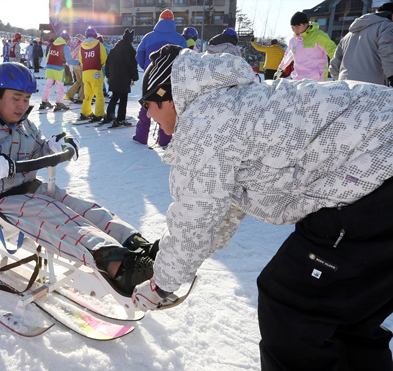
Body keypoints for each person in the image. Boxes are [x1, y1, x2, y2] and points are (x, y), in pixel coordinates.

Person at [132, 44, 393, 370]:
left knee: (292, 306)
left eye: (146, 104)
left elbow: (196, 214)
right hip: (377, 166)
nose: (146, 114)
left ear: (166, 97)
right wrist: (170, 260)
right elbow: (222, 208)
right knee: (347, 317)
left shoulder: (204, 121)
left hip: (379, 169)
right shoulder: (228, 103)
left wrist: (161, 286)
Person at [0, 62, 156, 296]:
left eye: (27, 99)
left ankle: (135, 243)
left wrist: (52, 146)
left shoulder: (23, 124)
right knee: (54, 214)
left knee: (82, 207)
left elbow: (36, 149)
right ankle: (120, 265)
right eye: (16, 98)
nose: (22, 106)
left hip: (29, 189)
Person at [134, 9, 187, 147]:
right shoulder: (180, 38)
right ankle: (165, 140)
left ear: (159, 21)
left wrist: (147, 68)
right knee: (166, 107)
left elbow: (139, 55)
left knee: (147, 105)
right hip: (171, 81)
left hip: (150, 79)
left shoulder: (148, 37)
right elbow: (186, 58)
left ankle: (141, 137)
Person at [330, 2, 393, 86]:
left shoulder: (348, 35)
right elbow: (388, 52)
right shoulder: (387, 27)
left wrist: (339, 81)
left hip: (345, 86)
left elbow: (334, 64)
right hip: (371, 87)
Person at [277, 11, 336, 81]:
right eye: (292, 28)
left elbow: (333, 51)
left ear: (306, 24)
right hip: (298, 79)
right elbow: (288, 56)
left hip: (316, 80)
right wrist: (280, 69)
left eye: (297, 26)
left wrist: (337, 69)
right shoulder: (293, 41)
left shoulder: (319, 36)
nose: (295, 30)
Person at [103, 28, 138, 127]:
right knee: (123, 99)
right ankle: (121, 118)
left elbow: (107, 63)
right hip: (124, 78)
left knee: (114, 97)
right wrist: (135, 78)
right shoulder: (131, 50)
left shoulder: (114, 49)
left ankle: (109, 115)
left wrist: (108, 75)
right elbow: (133, 66)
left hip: (113, 77)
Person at [40, 30, 80, 111]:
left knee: (48, 85)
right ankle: (59, 103)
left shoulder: (53, 45)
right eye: (68, 40)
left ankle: (44, 102)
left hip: (50, 67)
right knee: (60, 86)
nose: (68, 41)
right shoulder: (65, 47)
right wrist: (78, 62)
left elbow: (48, 57)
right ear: (66, 39)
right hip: (58, 68)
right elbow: (69, 60)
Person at [78, 26, 107, 122]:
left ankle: (85, 112)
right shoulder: (99, 44)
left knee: (87, 95)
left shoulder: (82, 46)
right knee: (99, 95)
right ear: (95, 35)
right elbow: (104, 59)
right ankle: (99, 114)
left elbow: (81, 60)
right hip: (96, 72)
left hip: (85, 73)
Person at [65, 36, 84, 103]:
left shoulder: (81, 45)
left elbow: (73, 53)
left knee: (78, 81)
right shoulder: (88, 45)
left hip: (75, 64)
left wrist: (72, 61)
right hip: (81, 65)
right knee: (83, 82)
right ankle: (81, 98)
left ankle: (69, 94)